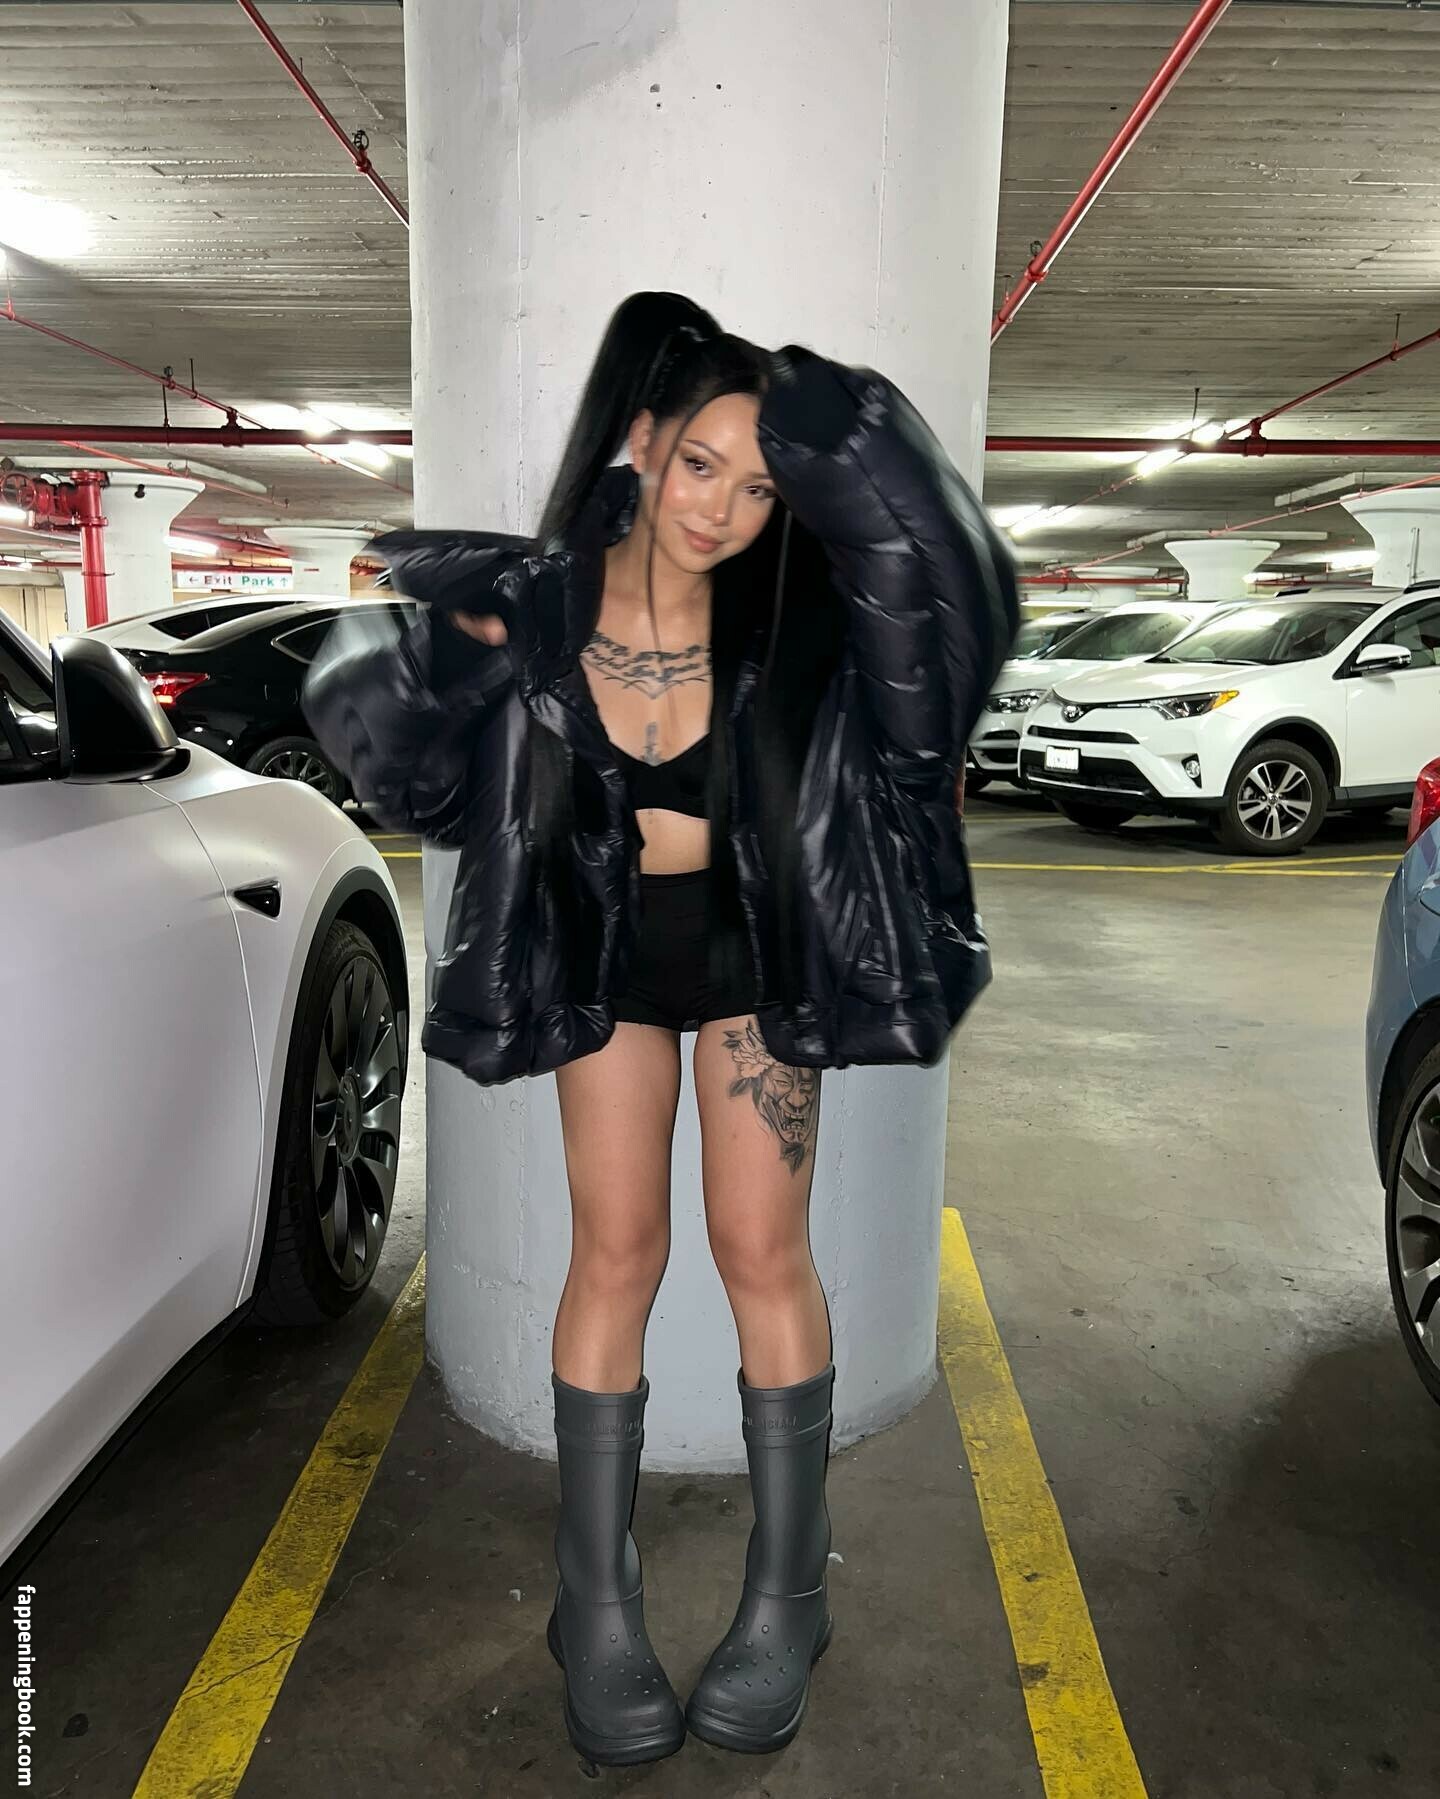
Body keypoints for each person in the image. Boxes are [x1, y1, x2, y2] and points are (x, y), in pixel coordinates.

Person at [304, 291, 1018, 1767]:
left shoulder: (804, 619)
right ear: (641, 440)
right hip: (607, 964)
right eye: (704, 465)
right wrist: (447, 655)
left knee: (764, 1253)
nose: (725, 510)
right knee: (616, 1252)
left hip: (758, 963)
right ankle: (595, 1603)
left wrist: (847, 431)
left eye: (759, 487)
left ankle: (790, 1595)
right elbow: (389, 758)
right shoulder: (535, 607)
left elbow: (955, 615)